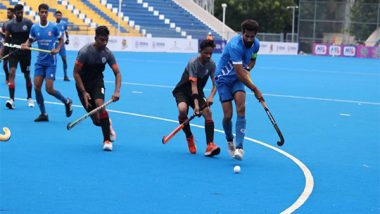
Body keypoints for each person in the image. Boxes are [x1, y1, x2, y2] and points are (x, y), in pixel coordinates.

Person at [214, 19, 264, 160]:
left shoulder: (256, 44)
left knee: (241, 109)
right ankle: (229, 139)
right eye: (246, 36)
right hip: (223, 79)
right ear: (242, 33)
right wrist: (255, 89)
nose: (249, 39)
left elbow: (253, 59)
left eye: (252, 36)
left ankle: (240, 147)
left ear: (255, 35)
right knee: (228, 116)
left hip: (237, 80)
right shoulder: (235, 45)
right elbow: (239, 73)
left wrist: (248, 67)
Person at [21, 3, 73, 122]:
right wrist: (25, 45)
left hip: (51, 62)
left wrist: (58, 49)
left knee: (49, 89)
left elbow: (61, 39)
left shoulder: (54, 27)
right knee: (37, 87)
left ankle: (67, 102)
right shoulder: (34, 28)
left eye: (46, 12)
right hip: (40, 62)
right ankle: (44, 113)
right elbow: (29, 41)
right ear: (38, 13)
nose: (44, 14)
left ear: (47, 13)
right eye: (42, 12)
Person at [73, 26, 121, 152]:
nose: (104, 43)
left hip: (97, 83)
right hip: (82, 84)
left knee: (101, 105)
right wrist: (83, 92)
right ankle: (107, 123)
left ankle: (107, 140)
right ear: (95, 38)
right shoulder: (85, 52)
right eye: (101, 40)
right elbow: (76, 73)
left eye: (106, 40)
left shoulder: (108, 53)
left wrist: (117, 91)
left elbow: (117, 73)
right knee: (97, 121)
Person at [172, 39, 220, 157]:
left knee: (208, 113)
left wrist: (211, 97)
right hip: (183, 90)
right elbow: (193, 86)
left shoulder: (212, 65)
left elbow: (216, 84)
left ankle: (210, 145)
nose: (208, 56)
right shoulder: (193, 62)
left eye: (210, 53)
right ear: (200, 51)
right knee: (182, 110)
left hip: (197, 93)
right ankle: (189, 136)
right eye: (206, 53)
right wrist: (197, 106)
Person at [0, 4, 34, 109]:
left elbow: (33, 37)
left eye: (21, 12)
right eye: (18, 12)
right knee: (12, 73)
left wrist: (27, 44)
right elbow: (6, 41)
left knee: (27, 75)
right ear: (15, 13)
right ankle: (11, 100)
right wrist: (1, 53)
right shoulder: (9, 25)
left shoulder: (28, 23)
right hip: (13, 52)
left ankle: (29, 98)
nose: (20, 14)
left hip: (25, 53)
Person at [0, 7, 15, 84]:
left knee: (12, 65)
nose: (7, 14)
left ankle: (11, 78)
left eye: (9, 13)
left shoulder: (16, 23)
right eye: (7, 12)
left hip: (13, 47)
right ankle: (7, 76)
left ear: (13, 13)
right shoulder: (5, 23)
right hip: (6, 45)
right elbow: (2, 33)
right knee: (5, 65)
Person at [54, 11, 70, 81]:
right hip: (55, 44)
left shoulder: (64, 24)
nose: (59, 17)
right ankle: (52, 75)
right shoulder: (53, 25)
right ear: (55, 16)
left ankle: (65, 76)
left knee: (64, 60)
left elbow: (66, 32)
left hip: (62, 45)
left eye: (60, 15)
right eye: (57, 15)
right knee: (54, 61)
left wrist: (68, 39)